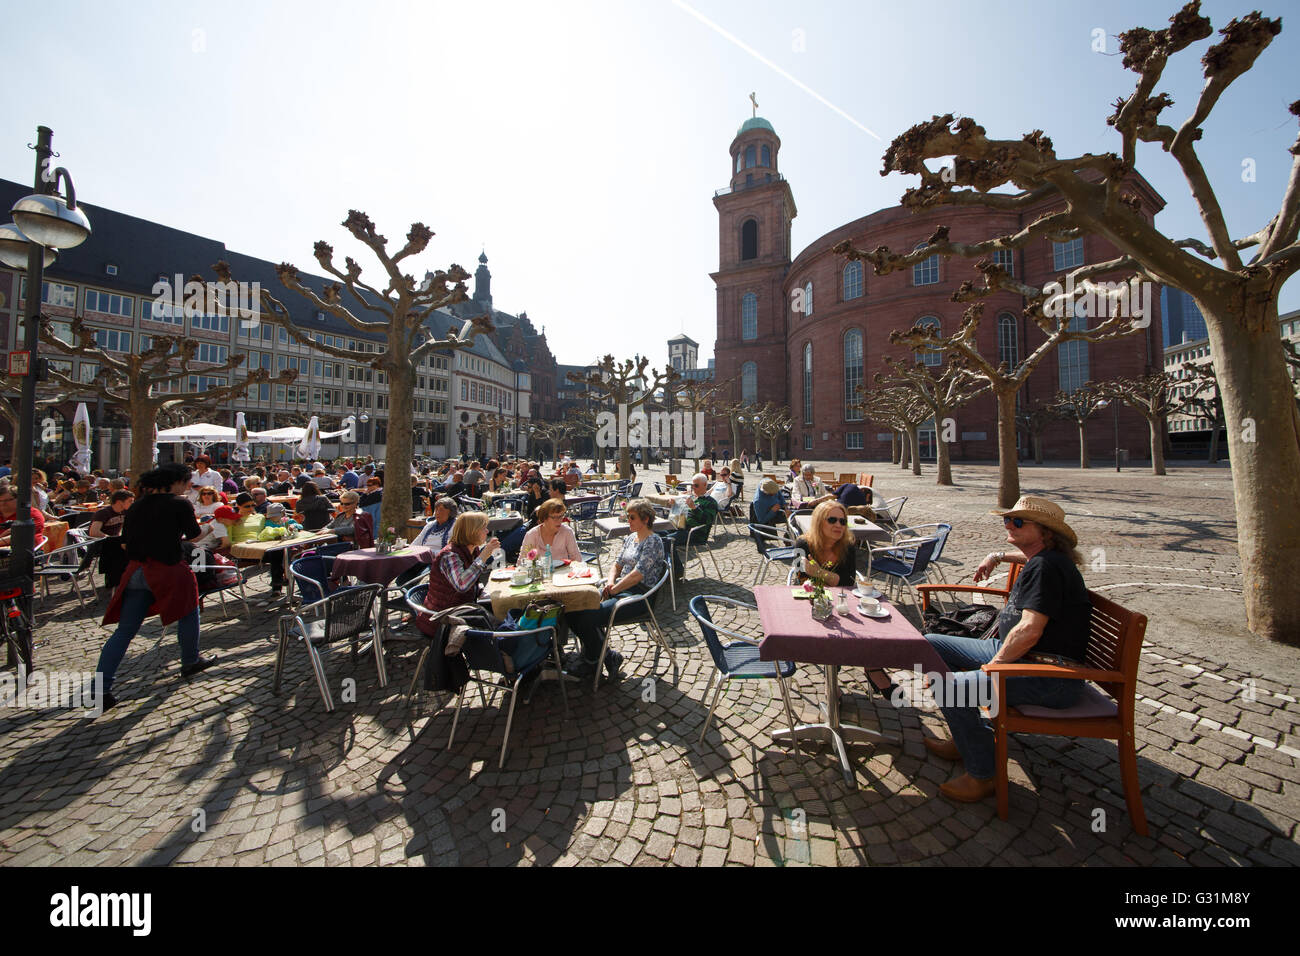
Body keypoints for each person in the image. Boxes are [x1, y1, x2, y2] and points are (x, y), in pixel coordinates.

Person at [922, 496, 1093, 803]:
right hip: (1019, 654)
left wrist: (993, 668)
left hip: (1051, 675)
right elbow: (1025, 558)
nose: (1008, 525)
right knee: (930, 646)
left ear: (1046, 533)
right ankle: (967, 739)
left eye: (1017, 522)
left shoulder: (1047, 569)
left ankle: (982, 774)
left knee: (952, 689)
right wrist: (996, 555)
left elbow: (1029, 630)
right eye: (1007, 520)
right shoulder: (1042, 559)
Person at [95, 463, 217, 710]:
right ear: (177, 482)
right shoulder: (179, 503)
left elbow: (125, 541)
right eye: (187, 482)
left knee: (125, 631)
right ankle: (190, 660)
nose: (188, 486)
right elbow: (192, 535)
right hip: (168, 568)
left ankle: (100, 688)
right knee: (188, 613)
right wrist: (208, 528)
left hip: (137, 570)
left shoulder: (137, 504)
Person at [565, 500, 667, 680]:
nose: (628, 520)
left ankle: (592, 661)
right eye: (628, 516)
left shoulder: (653, 541)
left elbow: (638, 574)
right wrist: (610, 583)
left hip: (639, 596)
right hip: (621, 589)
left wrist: (614, 589)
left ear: (645, 519)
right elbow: (617, 564)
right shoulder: (630, 538)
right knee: (572, 610)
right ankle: (607, 656)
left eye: (632, 517)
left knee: (587, 618)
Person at [422, 511, 499, 614]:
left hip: (463, 607)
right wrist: (483, 556)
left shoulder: (472, 549)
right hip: (444, 617)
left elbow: (471, 582)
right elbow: (462, 585)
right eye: (483, 528)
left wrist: (482, 590)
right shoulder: (450, 555)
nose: (487, 531)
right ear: (472, 531)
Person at [792, 500, 858, 588]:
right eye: (832, 520)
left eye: (843, 521)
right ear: (819, 522)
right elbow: (802, 579)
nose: (838, 525)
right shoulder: (803, 544)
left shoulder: (848, 546)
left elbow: (848, 581)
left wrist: (819, 572)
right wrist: (832, 580)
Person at [671, 473, 719, 578]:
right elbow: (682, 514)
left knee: (667, 541)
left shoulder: (711, 502)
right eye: (693, 485)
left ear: (705, 485)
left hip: (696, 533)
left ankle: (677, 570)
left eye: (696, 486)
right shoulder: (693, 498)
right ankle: (664, 568)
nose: (693, 488)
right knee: (656, 534)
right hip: (682, 527)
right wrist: (675, 504)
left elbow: (707, 520)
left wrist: (694, 508)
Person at [519, 499, 582, 563]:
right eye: (554, 517)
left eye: (561, 516)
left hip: (563, 571)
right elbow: (522, 561)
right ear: (544, 518)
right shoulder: (532, 534)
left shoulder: (567, 532)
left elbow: (577, 559)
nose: (559, 520)